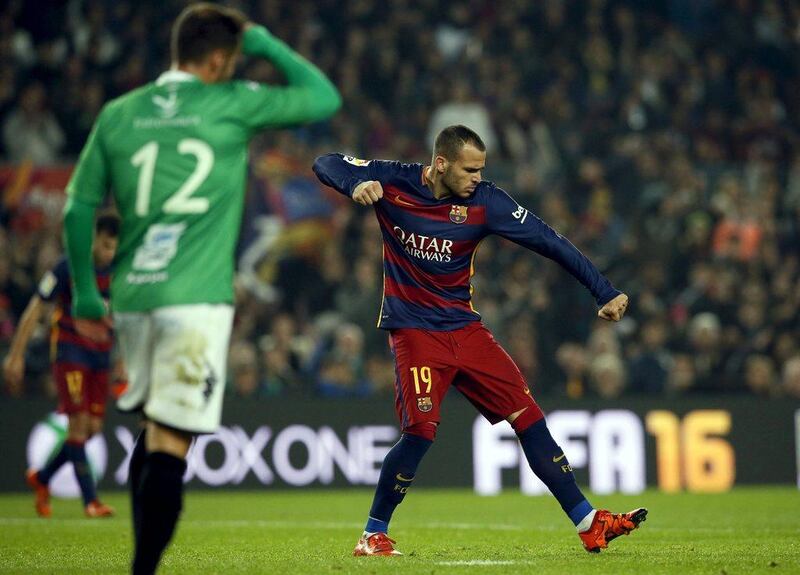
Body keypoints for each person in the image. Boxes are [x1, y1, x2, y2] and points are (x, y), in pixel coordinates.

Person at [61, 4, 340, 574]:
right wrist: (264, 44)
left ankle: (140, 566)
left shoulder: (120, 113)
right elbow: (323, 97)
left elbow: (78, 205)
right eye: (233, 59)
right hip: (195, 300)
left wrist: (88, 292)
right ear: (218, 60)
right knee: (170, 439)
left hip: (133, 297)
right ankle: (143, 570)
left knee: (154, 427)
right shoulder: (230, 101)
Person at [313, 125, 646, 556]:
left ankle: (588, 521)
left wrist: (604, 290)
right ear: (440, 164)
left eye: (481, 170)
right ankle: (373, 533)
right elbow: (326, 163)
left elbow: (549, 241)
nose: (477, 178)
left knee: (528, 416)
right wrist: (356, 182)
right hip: (414, 330)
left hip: (466, 330)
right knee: (420, 431)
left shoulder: (486, 202)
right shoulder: (393, 180)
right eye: (469, 170)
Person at [3, 213, 119, 518]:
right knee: (78, 425)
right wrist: (15, 355)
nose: (110, 252)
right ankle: (91, 502)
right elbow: (36, 306)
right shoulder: (69, 267)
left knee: (91, 429)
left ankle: (41, 478)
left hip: (101, 356)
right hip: (71, 353)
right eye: (106, 245)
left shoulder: (119, 270)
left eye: (114, 247)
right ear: (93, 238)